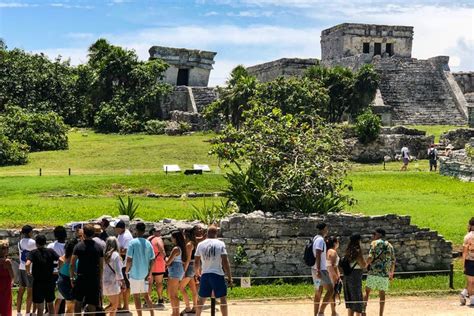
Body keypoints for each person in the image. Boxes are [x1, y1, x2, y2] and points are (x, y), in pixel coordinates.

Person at [195, 225, 233, 316]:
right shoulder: (220, 244)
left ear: (207, 233)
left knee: (201, 298)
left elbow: (196, 262)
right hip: (217, 273)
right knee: (222, 298)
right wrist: (229, 277)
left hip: (205, 273)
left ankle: (197, 315)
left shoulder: (200, 244)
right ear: (216, 233)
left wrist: (197, 274)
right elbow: (225, 261)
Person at [70, 224, 104, 314]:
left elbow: (72, 264)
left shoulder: (78, 246)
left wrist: (72, 277)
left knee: (78, 301)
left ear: (84, 234)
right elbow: (101, 265)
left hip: (81, 277)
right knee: (92, 303)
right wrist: (100, 279)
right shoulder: (99, 247)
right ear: (93, 234)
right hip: (94, 278)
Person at [125, 222, 155, 316]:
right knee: (146, 296)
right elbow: (152, 259)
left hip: (134, 274)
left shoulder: (132, 243)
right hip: (145, 274)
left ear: (136, 230)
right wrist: (150, 273)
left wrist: (126, 271)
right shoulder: (148, 243)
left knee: (136, 296)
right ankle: (152, 314)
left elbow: (129, 259)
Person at [25, 234, 60, 316]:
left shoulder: (33, 252)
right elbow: (61, 259)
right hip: (49, 281)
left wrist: (28, 272)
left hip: (38, 282)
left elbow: (27, 264)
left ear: (36, 243)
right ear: (45, 243)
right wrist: (59, 269)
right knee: (50, 304)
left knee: (40, 307)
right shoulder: (50, 251)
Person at [364, 228, 395, 316]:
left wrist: (365, 265)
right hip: (384, 273)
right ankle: (380, 314)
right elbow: (393, 261)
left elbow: (370, 257)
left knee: (367, 292)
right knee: (382, 294)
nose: (373, 235)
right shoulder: (390, 245)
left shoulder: (374, 243)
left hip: (374, 271)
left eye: (375, 234)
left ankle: (363, 311)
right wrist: (391, 273)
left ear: (379, 234)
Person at [342, 234, 367, 316]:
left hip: (347, 277)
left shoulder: (348, 250)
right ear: (358, 241)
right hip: (355, 277)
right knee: (357, 299)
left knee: (350, 300)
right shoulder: (357, 250)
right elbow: (363, 264)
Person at [312, 222, 334, 316]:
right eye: (326, 228)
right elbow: (318, 253)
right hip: (320, 270)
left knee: (318, 291)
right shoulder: (320, 240)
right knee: (331, 290)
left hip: (314, 269)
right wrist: (318, 269)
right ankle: (321, 312)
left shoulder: (315, 238)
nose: (327, 230)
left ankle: (316, 313)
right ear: (324, 229)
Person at [166, 230, 187, 316]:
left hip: (175, 270)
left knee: (172, 294)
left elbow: (168, 262)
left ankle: (176, 313)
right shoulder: (182, 248)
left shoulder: (176, 248)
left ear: (175, 238)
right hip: (178, 270)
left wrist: (166, 258)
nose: (171, 238)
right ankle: (175, 312)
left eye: (172, 237)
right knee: (173, 294)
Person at [103, 237, 125, 316]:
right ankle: (100, 314)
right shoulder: (115, 255)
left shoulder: (104, 254)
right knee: (114, 305)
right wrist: (123, 283)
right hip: (112, 283)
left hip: (104, 282)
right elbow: (118, 271)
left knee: (112, 305)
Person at [47, 226, 67, 315]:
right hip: (64, 272)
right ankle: (61, 312)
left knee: (51, 294)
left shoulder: (51, 246)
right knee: (63, 294)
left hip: (52, 271)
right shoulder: (68, 246)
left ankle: (50, 311)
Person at [17, 225, 36, 316]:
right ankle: (28, 313)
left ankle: (18, 312)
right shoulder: (33, 242)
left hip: (21, 267)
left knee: (20, 291)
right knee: (30, 292)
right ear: (29, 232)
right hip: (30, 269)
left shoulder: (20, 242)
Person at [179, 228, 199, 314]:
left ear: (186, 235)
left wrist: (183, 271)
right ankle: (195, 307)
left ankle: (187, 307)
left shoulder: (189, 244)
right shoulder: (193, 243)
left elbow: (187, 259)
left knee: (181, 287)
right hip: (193, 266)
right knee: (193, 289)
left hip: (189, 267)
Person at [115, 220, 133, 311]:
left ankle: (126, 306)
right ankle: (119, 305)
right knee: (120, 285)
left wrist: (118, 250)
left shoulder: (126, 236)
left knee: (126, 285)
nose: (114, 229)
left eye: (116, 228)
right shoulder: (120, 234)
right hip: (120, 264)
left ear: (120, 228)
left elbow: (126, 251)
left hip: (125, 265)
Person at [57, 239, 78, 316]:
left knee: (70, 307)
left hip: (62, 282)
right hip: (70, 283)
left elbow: (59, 270)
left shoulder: (61, 258)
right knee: (71, 307)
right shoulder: (76, 259)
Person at [147, 227, 166, 309]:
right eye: (158, 231)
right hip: (158, 264)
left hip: (149, 263)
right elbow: (161, 249)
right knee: (159, 283)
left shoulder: (147, 239)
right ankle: (160, 299)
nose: (160, 232)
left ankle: (147, 300)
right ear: (154, 232)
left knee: (149, 283)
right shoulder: (158, 239)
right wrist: (164, 257)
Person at [326, 236, 341, 316]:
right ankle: (332, 312)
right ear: (335, 243)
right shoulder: (333, 252)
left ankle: (333, 311)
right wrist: (336, 276)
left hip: (328, 273)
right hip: (332, 274)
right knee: (333, 293)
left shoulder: (328, 251)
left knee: (332, 294)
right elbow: (333, 265)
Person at [461, 217, 474, 305]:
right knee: (471, 282)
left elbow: (464, 252)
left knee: (471, 281)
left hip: (469, 261)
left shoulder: (467, 236)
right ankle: (472, 299)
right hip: (471, 261)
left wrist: (463, 264)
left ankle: (464, 293)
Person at [0, 239, 14, 316]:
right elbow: (12, 276)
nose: (6, 250)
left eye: (7, 247)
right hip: (5, 287)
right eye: (3, 248)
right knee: (6, 307)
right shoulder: (7, 261)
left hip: (5, 286)